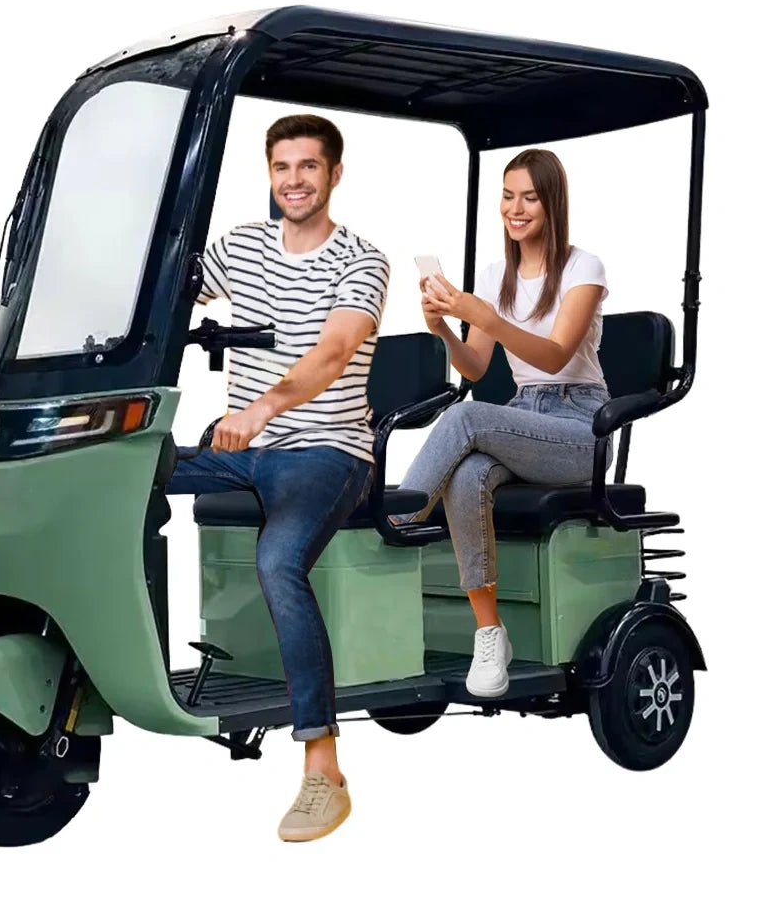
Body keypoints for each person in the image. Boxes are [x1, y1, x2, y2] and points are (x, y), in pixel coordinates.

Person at [168, 114, 390, 842]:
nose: (294, 179)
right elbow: (165, 294)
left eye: (309, 166)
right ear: (269, 173)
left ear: (334, 175)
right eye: (282, 166)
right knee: (116, 477)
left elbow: (330, 356)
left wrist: (262, 408)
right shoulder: (241, 246)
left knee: (278, 559)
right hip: (245, 445)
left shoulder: (363, 261)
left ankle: (323, 771)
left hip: (327, 451)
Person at [395, 148, 611, 697]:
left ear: (551, 202)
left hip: (580, 426)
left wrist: (485, 316)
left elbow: (557, 355)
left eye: (529, 198)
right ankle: (490, 633)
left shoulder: (584, 268)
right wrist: (446, 329)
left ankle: (396, 520)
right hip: (523, 418)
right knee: (467, 476)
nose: (515, 209)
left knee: (465, 417)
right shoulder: (496, 275)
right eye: (508, 196)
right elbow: (476, 366)